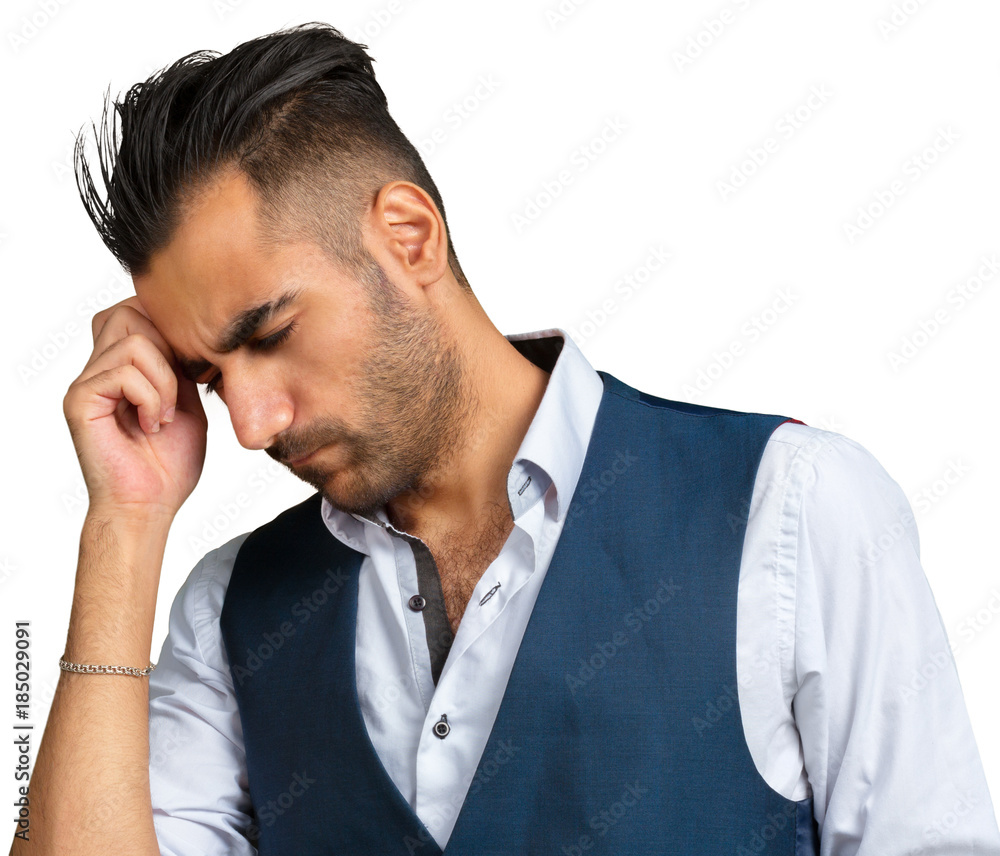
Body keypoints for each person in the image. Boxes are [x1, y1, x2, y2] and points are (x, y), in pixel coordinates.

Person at [11, 21, 999, 856]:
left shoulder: (793, 510)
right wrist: (124, 528)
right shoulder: (233, 611)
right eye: (212, 377)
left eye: (270, 334)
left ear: (409, 237)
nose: (252, 421)